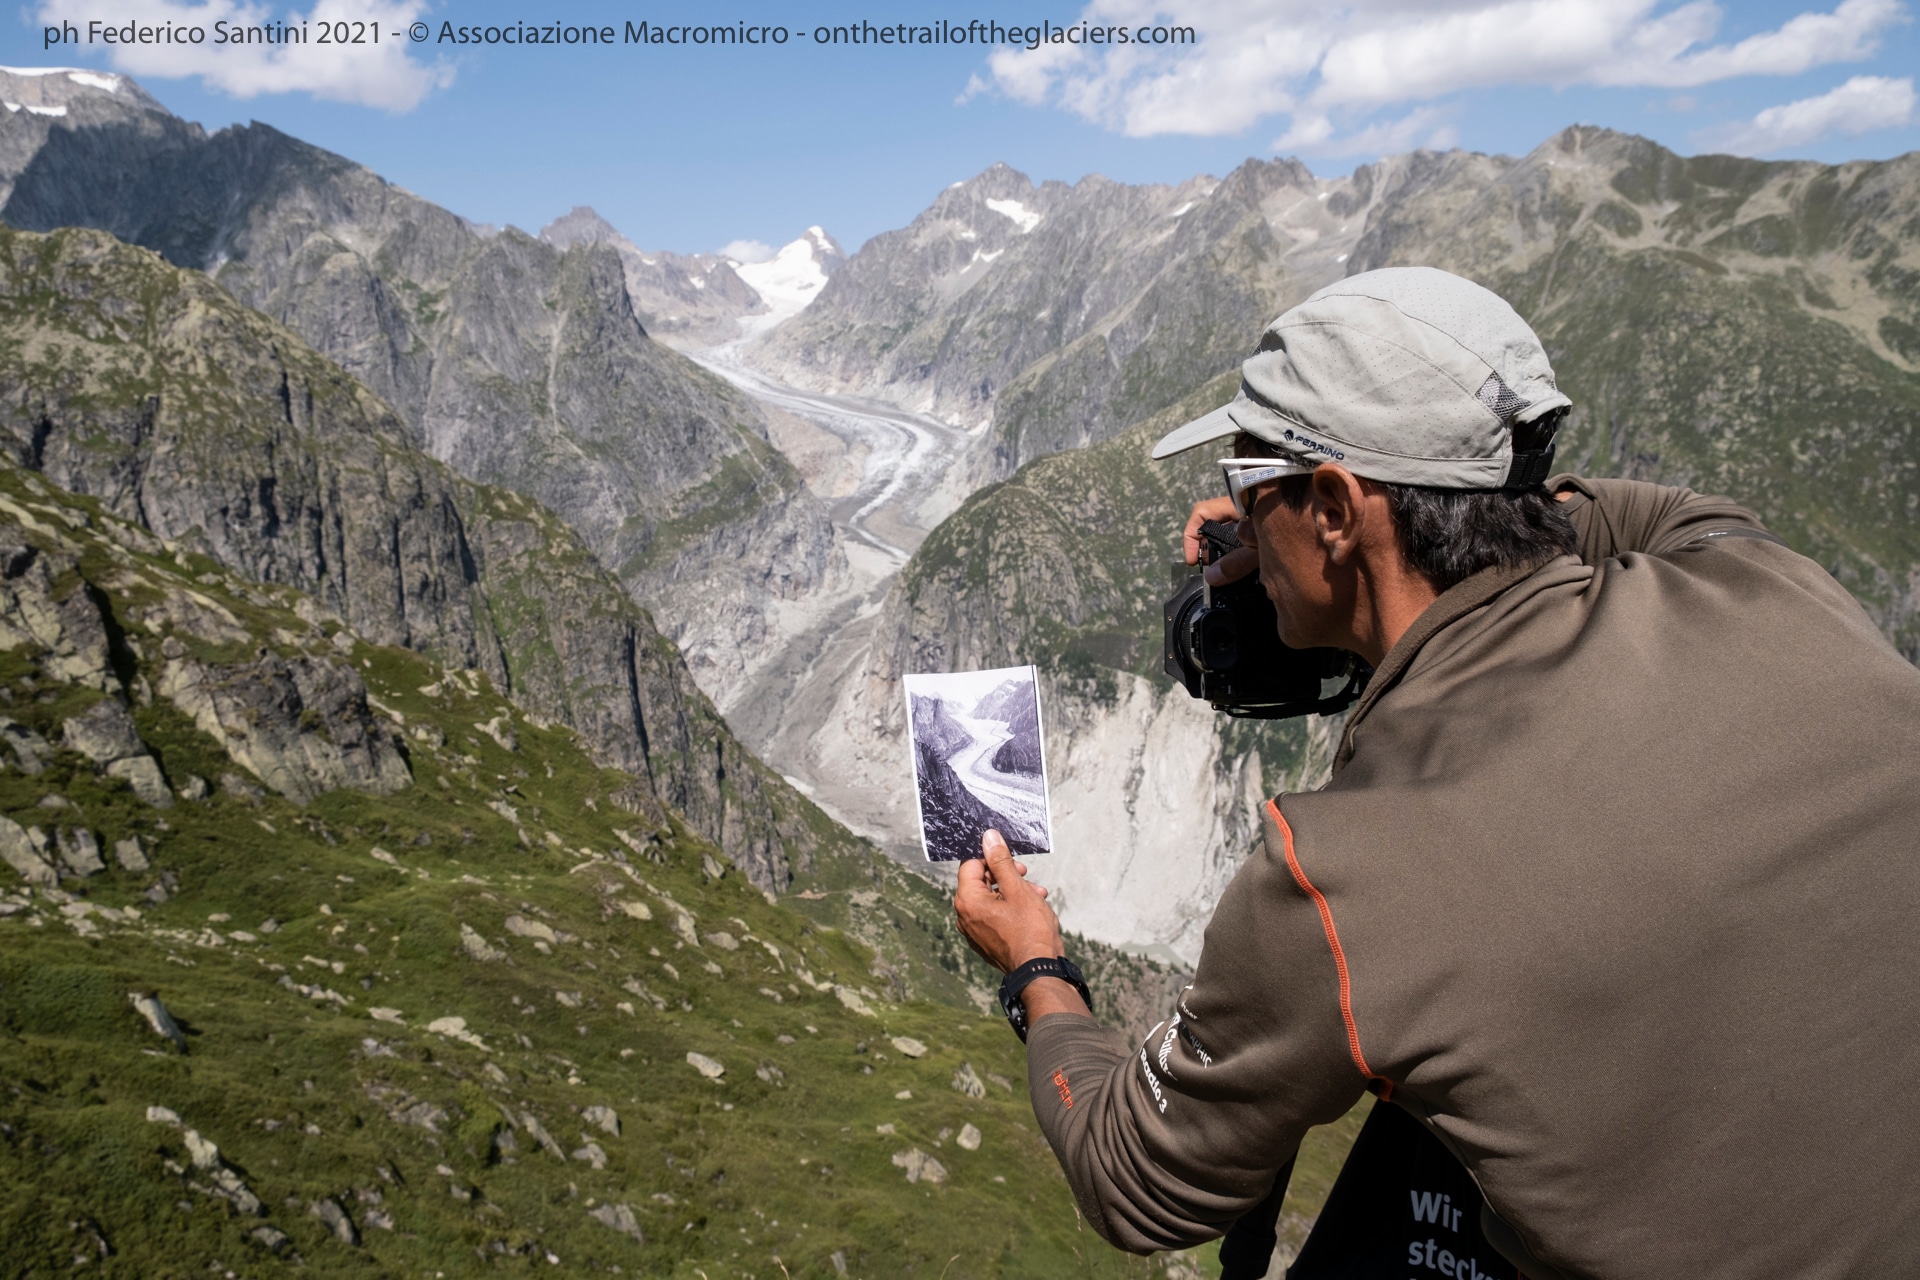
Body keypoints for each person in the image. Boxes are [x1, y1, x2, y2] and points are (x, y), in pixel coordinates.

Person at [953, 267, 1920, 1278]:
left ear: (1332, 505)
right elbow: (1640, 515)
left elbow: (1131, 1178)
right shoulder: (1758, 577)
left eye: (1251, 481)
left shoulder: (1347, 874)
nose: (1239, 510)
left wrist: (1037, 967)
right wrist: (1337, 537)